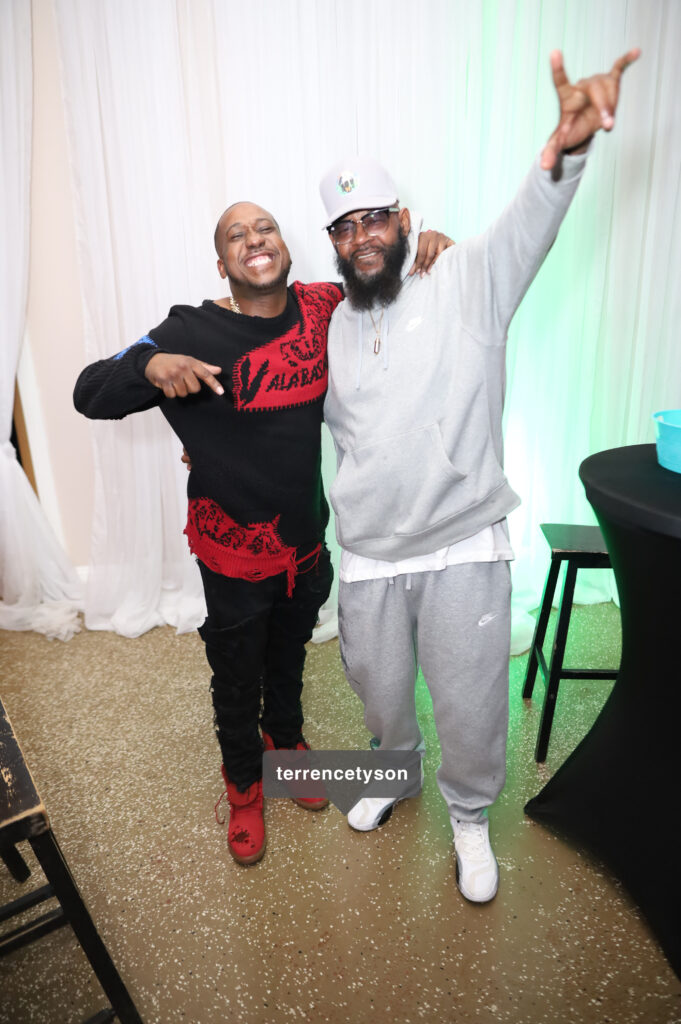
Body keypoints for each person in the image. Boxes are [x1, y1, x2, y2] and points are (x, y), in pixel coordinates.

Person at [319, 48, 640, 902]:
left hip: (461, 541)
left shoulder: (465, 278)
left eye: (375, 219)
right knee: (379, 696)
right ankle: (391, 773)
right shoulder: (329, 319)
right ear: (334, 244)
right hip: (370, 551)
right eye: (344, 228)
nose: (361, 238)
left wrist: (566, 152)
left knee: (468, 701)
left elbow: (529, 224)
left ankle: (467, 817)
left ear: (404, 219)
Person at [73, 202, 451, 866]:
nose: (254, 238)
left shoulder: (323, 307)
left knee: (288, 656)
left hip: (304, 537)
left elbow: (389, 288)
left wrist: (433, 250)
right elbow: (89, 392)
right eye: (236, 235)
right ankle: (244, 782)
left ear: (286, 248)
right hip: (232, 553)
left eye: (265, 228)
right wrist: (148, 367)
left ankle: (286, 747)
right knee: (236, 675)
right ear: (223, 264)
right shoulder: (189, 329)